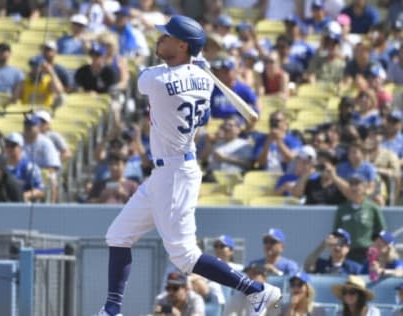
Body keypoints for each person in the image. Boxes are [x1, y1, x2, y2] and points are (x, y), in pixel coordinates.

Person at [94, 15, 281, 316]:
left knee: (184, 256)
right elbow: (202, 114)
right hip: (166, 170)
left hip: (176, 172)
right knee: (118, 235)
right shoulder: (206, 81)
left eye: (166, 37)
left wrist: (193, 66)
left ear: (182, 44)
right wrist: (196, 68)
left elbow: (147, 77)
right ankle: (112, 309)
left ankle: (256, 290)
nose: (159, 40)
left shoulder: (156, 78)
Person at [330, 170, 387, 263]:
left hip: (368, 252)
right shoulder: (342, 209)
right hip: (348, 253)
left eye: (357, 184)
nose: (354, 187)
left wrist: (378, 250)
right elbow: (336, 233)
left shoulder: (372, 207)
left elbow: (382, 232)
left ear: (365, 187)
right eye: (351, 184)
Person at [4, 132, 45, 202]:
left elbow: (40, 190)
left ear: (21, 147)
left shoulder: (30, 167)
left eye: (13, 145)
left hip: (22, 205)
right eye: (7, 145)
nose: (9, 148)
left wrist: (23, 195)